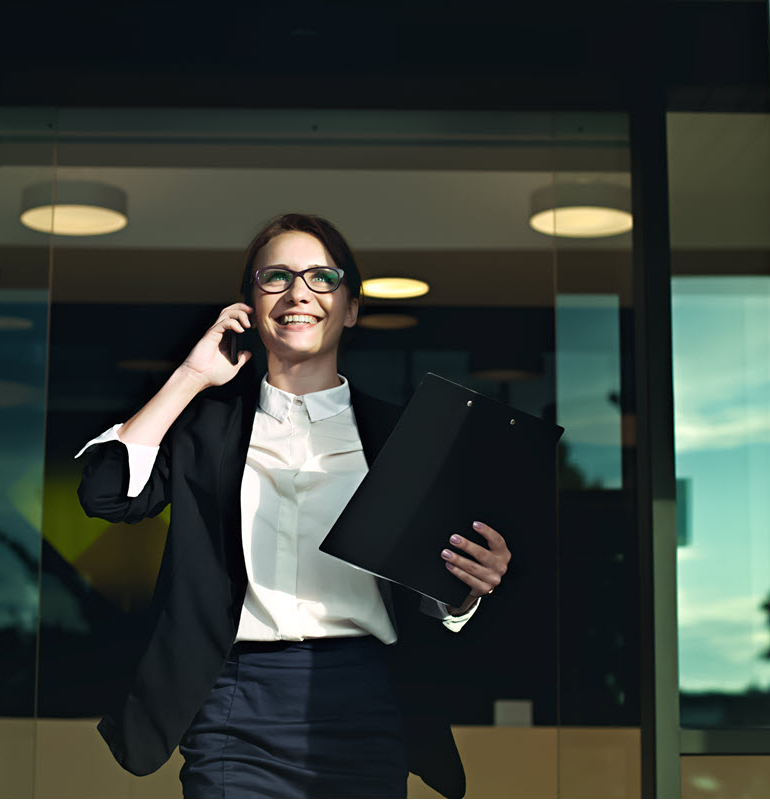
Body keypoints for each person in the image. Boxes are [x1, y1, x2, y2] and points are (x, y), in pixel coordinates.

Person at [75, 213, 511, 799]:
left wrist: (466, 585)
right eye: (275, 277)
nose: (298, 292)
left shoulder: (403, 435)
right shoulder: (206, 427)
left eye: (322, 277)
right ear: (250, 306)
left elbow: (424, 591)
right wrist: (192, 375)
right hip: (236, 700)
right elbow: (105, 495)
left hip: (366, 700)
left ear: (350, 308)